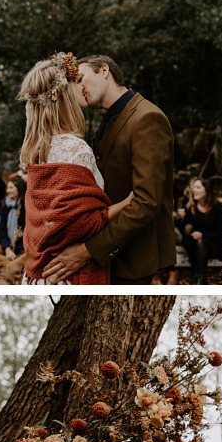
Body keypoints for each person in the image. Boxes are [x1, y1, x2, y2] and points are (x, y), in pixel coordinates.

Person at [42, 54, 175, 285]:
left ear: (104, 71)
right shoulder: (110, 118)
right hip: (107, 257)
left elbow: (146, 202)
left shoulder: (147, 118)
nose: (78, 86)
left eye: (81, 77)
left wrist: (89, 250)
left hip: (131, 257)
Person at [15, 52, 133, 284]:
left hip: (40, 270)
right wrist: (129, 202)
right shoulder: (74, 148)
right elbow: (79, 222)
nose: (82, 87)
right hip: (70, 273)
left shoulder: (37, 151)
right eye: (75, 82)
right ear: (63, 94)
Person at [176, 176, 222, 284]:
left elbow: (220, 234)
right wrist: (181, 219)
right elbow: (184, 231)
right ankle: (195, 268)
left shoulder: (218, 209)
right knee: (188, 227)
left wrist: (203, 235)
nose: (194, 190)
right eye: (193, 188)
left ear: (207, 190)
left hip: (213, 245)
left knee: (201, 242)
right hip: (194, 247)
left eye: (198, 187)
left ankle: (202, 278)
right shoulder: (191, 207)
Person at [0, 175, 26, 258]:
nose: (7, 191)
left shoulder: (26, 206)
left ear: (19, 188)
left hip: (22, 245)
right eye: (7, 188)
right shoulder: (4, 205)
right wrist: (7, 249)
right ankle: (11, 263)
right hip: (7, 243)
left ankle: (12, 264)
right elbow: (2, 229)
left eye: (11, 188)